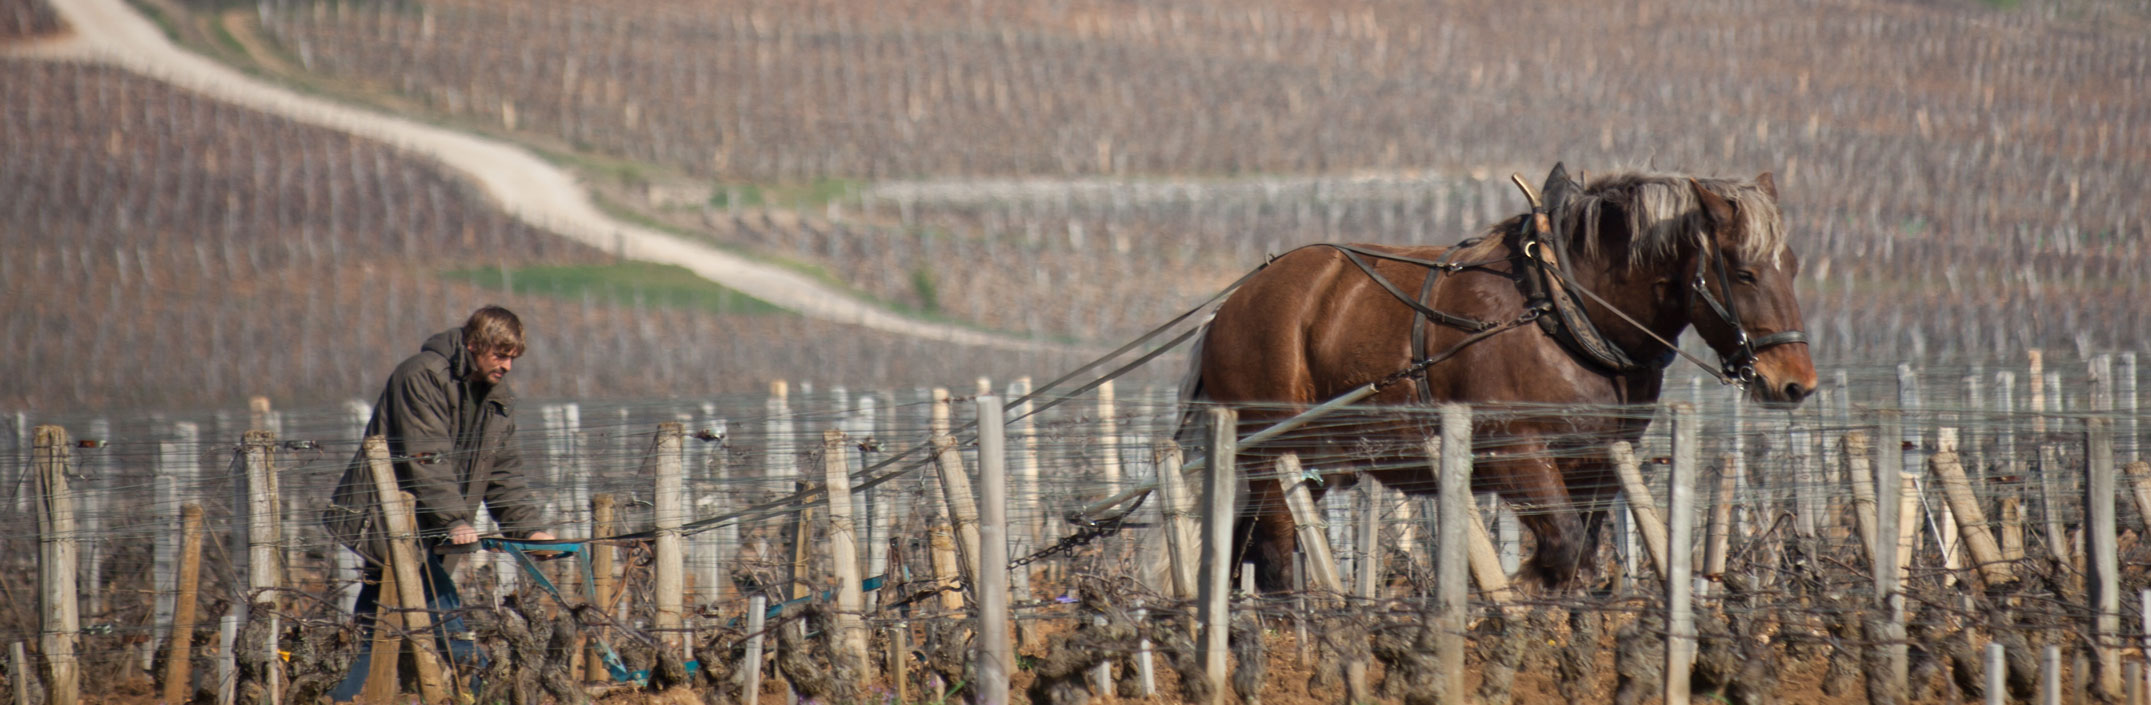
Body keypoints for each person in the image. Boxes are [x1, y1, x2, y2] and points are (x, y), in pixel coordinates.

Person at [323, 305, 554, 701]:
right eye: (500, 355)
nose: (508, 367)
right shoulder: (421, 376)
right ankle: (491, 691)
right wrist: (454, 519)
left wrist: (527, 528)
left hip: (434, 525)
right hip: (388, 517)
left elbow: (504, 472)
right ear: (473, 344)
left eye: (513, 358)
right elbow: (425, 455)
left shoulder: (498, 398)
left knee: (375, 618)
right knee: (447, 620)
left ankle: (332, 696)